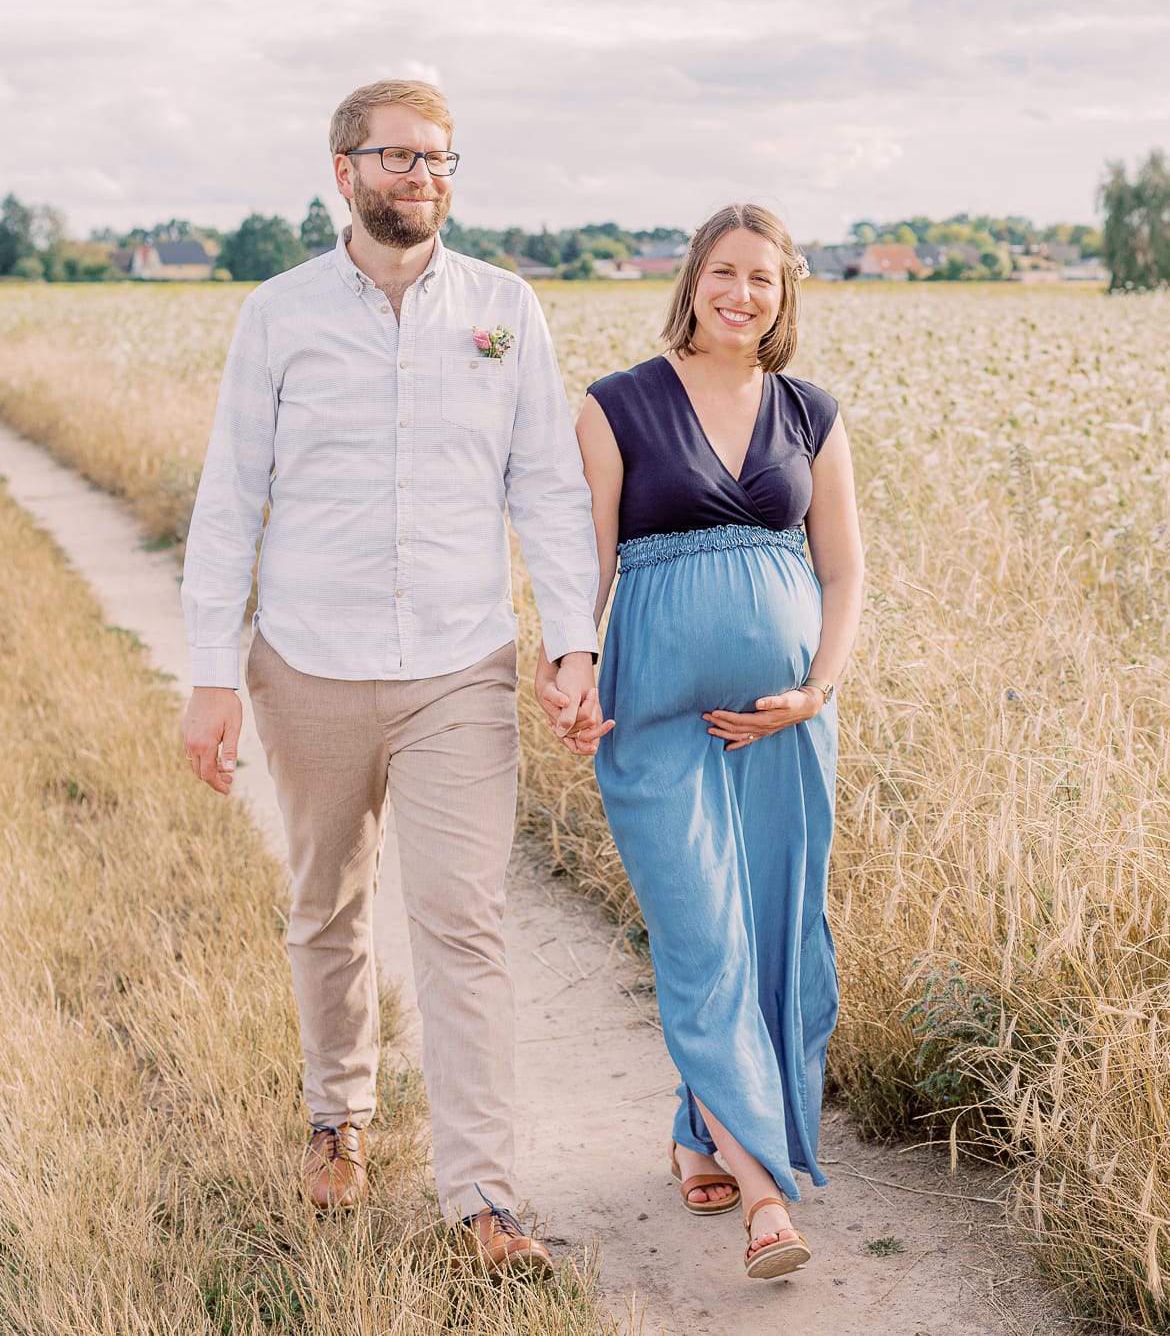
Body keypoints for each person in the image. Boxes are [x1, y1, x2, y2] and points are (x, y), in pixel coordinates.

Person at [180, 77, 608, 1278]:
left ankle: (485, 1197)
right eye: (401, 158)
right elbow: (231, 502)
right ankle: (339, 1118)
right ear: (345, 172)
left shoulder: (504, 311)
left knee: (462, 922)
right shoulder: (277, 315)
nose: (425, 178)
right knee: (325, 905)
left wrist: (573, 643)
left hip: (457, 671)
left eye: (442, 160)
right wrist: (213, 674)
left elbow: (547, 492)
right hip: (305, 663)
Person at [538, 202, 863, 1282]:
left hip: (783, 728)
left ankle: (699, 1133)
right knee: (703, 940)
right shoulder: (615, 405)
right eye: (725, 273)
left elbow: (844, 571)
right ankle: (767, 1196)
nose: (742, 294)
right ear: (692, 280)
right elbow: (585, 561)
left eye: (763, 280)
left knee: (775, 935)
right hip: (657, 717)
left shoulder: (810, 413)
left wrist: (816, 692)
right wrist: (571, 665)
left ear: (785, 294)